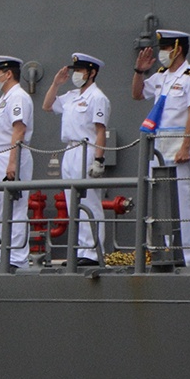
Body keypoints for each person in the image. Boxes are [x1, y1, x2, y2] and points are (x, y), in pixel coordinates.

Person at [134, 29, 190, 267]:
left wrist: (186, 146)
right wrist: (139, 71)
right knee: (161, 201)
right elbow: (137, 95)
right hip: (158, 145)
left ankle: (188, 256)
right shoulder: (161, 76)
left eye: (166, 48)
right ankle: (166, 252)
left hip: (179, 144)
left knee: (181, 199)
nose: (163, 53)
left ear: (178, 48)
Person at [44, 54, 111, 265]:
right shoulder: (72, 95)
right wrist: (56, 83)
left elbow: (100, 130)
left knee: (90, 202)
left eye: (80, 71)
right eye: (75, 71)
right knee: (74, 203)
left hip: (87, 150)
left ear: (92, 73)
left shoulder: (98, 97)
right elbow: (47, 105)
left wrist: (98, 160)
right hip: (70, 150)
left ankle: (93, 252)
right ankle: (82, 251)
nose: (76, 74)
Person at [0, 56, 34, 269]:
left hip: (9, 155)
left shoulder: (18, 97)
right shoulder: (4, 99)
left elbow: (18, 129)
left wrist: (12, 163)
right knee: (3, 210)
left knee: (16, 209)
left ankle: (17, 259)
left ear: (8, 74)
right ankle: (6, 254)